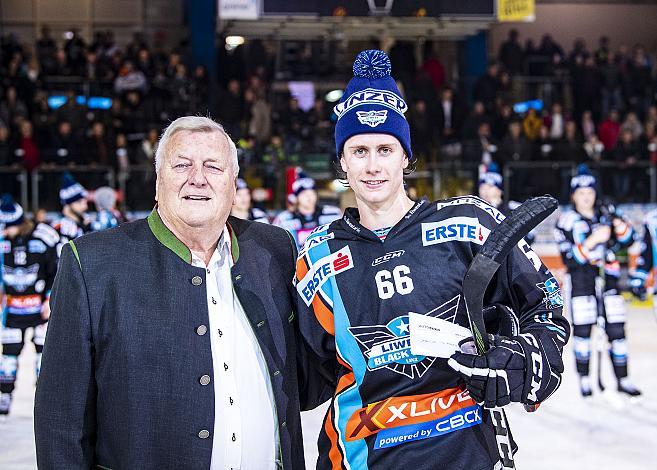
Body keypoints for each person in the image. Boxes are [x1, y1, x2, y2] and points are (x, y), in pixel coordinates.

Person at [295, 50, 570, 469]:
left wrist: (521, 361)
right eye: (359, 150)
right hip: (359, 458)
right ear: (342, 161)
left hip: (470, 455)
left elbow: (546, 307)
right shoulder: (316, 256)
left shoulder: (470, 223)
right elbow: (306, 378)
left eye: (385, 149)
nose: (372, 166)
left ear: (405, 156)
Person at [34, 116, 325, 469]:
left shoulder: (274, 249)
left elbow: (306, 381)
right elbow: (61, 422)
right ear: (158, 183)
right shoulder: (93, 264)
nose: (197, 178)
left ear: (233, 186)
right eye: (182, 165)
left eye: (213, 167)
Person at [554, 167, 641, 397]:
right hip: (582, 282)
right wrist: (592, 241)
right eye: (581, 192)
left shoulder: (605, 214)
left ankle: (623, 379)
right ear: (573, 195)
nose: (586, 196)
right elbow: (569, 259)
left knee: (617, 331)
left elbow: (629, 241)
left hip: (609, 282)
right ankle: (584, 379)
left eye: (590, 191)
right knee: (583, 332)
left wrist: (616, 220)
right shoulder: (566, 221)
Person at [0, 195, 59, 415]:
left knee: (43, 355)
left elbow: (56, 270)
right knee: (8, 356)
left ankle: (45, 400)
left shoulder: (43, 237)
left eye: (7, 227)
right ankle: (5, 397)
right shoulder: (2, 240)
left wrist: (50, 299)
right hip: (13, 310)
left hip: (39, 309)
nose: (4, 232)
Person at [272, 173, 341, 248]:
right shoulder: (283, 219)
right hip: (296, 259)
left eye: (312, 193)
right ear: (296, 197)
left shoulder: (333, 213)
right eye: (305, 194)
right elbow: (274, 242)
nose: (309, 198)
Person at [52, 173, 91, 253]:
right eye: (80, 202)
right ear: (67, 204)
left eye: (85, 202)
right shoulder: (59, 226)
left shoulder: (86, 221)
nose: (85, 207)